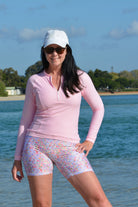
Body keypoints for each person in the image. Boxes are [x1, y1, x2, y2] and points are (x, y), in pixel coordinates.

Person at [12, 29, 112, 207]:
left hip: (69, 146)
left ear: (67, 50)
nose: (55, 54)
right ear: (44, 51)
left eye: (59, 49)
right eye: (50, 49)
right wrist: (17, 158)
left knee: (99, 201)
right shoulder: (35, 81)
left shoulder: (81, 78)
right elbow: (25, 121)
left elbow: (99, 108)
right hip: (36, 146)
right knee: (42, 205)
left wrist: (90, 140)